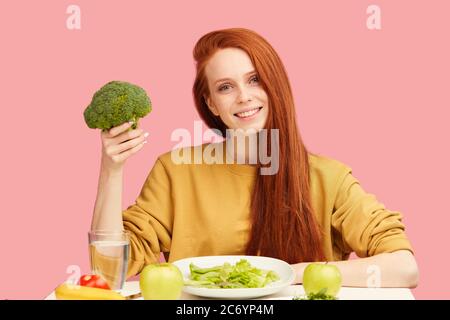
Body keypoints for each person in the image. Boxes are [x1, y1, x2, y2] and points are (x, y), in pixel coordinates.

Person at [90, 28, 419, 288]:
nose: (244, 96)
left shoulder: (328, 177)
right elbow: (107, 272)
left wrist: (299, 273)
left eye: (254, 79)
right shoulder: (175, 171)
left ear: (276, 84)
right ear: (210, 104)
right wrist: (111, 169)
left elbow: (404, 268)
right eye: (225, 87)